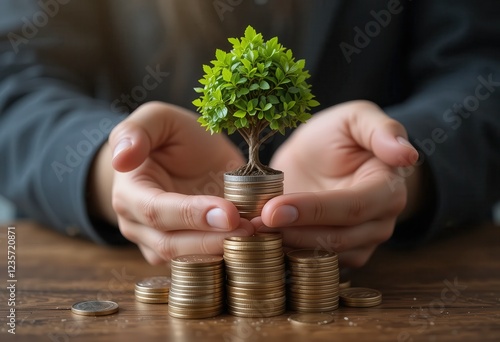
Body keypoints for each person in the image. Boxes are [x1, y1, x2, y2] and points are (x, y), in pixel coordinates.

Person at [0, 0, 499, 268]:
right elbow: (15, 76)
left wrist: (403, 168)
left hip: (403, 260)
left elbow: (481, 67)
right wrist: (109, 170)